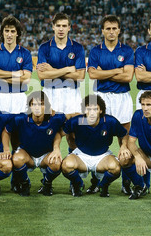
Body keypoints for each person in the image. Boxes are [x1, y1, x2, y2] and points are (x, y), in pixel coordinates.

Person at [87, 14, 135, 195]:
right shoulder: (95, 51)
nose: (111, 31)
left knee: (125, 139)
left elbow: (128, 76)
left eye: (115, 28)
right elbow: (92, 75)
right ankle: (95, 180)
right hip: (101, 98)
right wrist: (117, 71)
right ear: (102, 31)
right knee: (97, 138)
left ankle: (127, 182)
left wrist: (104, 72)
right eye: (108, 28)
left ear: (119, 30)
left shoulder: (127, 51)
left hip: (122, 97)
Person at [61, 95, 131, 197]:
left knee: (115, 168)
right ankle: (78, 184)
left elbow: (124, 134)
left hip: (102, 156)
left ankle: (104, 185)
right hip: (81, 155)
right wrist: (63, 148)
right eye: (89, 109)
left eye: (95, 109)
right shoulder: (77, 121)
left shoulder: (110, 121)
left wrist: (124, 146)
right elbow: (63, 132)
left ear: (101, 111)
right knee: (66, 165)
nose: (92, 112)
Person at [36, 12, 86, 152]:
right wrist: (68, 69)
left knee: (73, 133)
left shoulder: (77, 48)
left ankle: (74, 163)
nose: (61, 29)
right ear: (53, 27)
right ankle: (49, 166)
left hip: (71, 93)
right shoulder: (45, 48)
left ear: (69, 27)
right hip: (50, 93)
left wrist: (52, 70)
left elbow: (80, 76)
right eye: (58, 26)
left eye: (64, 26)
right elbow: (41, 76)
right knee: (48, 131)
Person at [6, 91, 66, 196]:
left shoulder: (55, 118)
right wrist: (7, 148)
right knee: (16, 159)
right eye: (34, 104)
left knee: (56, 162)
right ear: (29, 106)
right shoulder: (20, 119)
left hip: (45, 156)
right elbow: (6, 131)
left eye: (41, 104)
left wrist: (56, 147)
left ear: (46, 106)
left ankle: (47, 183)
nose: (37, 107)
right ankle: (25, 184)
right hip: (27, 155)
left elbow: (72, 120)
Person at [0, 15, 33, 114]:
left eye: (12, 31)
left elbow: (26, 79)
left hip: (18, 96)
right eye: (6, 31)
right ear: (2, 33)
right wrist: (15, 74)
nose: (9, 34)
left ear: (17, 33)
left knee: (18, 129)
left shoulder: (25, 53)